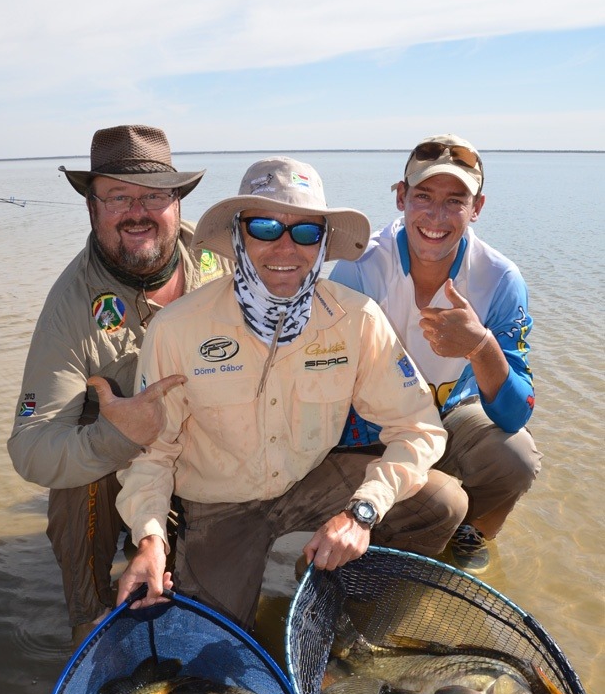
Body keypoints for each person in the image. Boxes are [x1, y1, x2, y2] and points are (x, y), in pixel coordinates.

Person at [115, 156, 468, 629]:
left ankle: (337, 591)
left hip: (311, 480)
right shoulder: (176, 328)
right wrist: (150, 540)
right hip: (219, 506)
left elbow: (419, 427)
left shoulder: (357, 319)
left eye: (305, 232)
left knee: (442, 504)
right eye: (264, 227)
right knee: (212, 640)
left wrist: (362, 513)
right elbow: (152, 455)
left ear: (322, 243)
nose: (286, 247)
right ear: (238, 235)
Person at [7, 124, 231, 645]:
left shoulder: (224, 257)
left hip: (218, 449)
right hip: (133, 459)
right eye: (117, 197)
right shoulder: (70, 303)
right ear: (91, 207)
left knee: (207, 615)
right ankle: (87, 622)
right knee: (77, 460)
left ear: (177, 201)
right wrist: (118, 435)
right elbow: (30, 448)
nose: (138, 211)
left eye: (155, 195)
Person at [330, 134, 541, 573]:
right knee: (431, 496)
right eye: (423, 196)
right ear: (401, 198)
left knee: (517, 456)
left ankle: (472, 528)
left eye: (455, 201)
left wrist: (480, 346)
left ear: (476, 207)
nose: (436, 217)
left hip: (447, 414)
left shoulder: (499, 280)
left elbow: (515, 412)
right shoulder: (361, 266)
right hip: (366, 423)